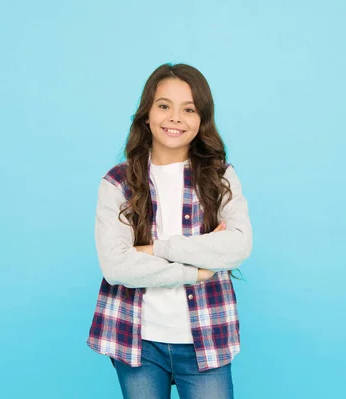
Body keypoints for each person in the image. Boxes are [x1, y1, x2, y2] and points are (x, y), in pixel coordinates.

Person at [86, 62, 253, 399]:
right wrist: (196, 271)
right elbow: (117, 267)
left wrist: (155, 249)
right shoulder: (118, 182)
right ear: (147, 113)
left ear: (201, 119)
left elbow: (238, 246)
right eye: (164, 106)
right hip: (137, 340)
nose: (175, 117)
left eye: (188, 109)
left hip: (206, 334)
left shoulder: (220, 176)